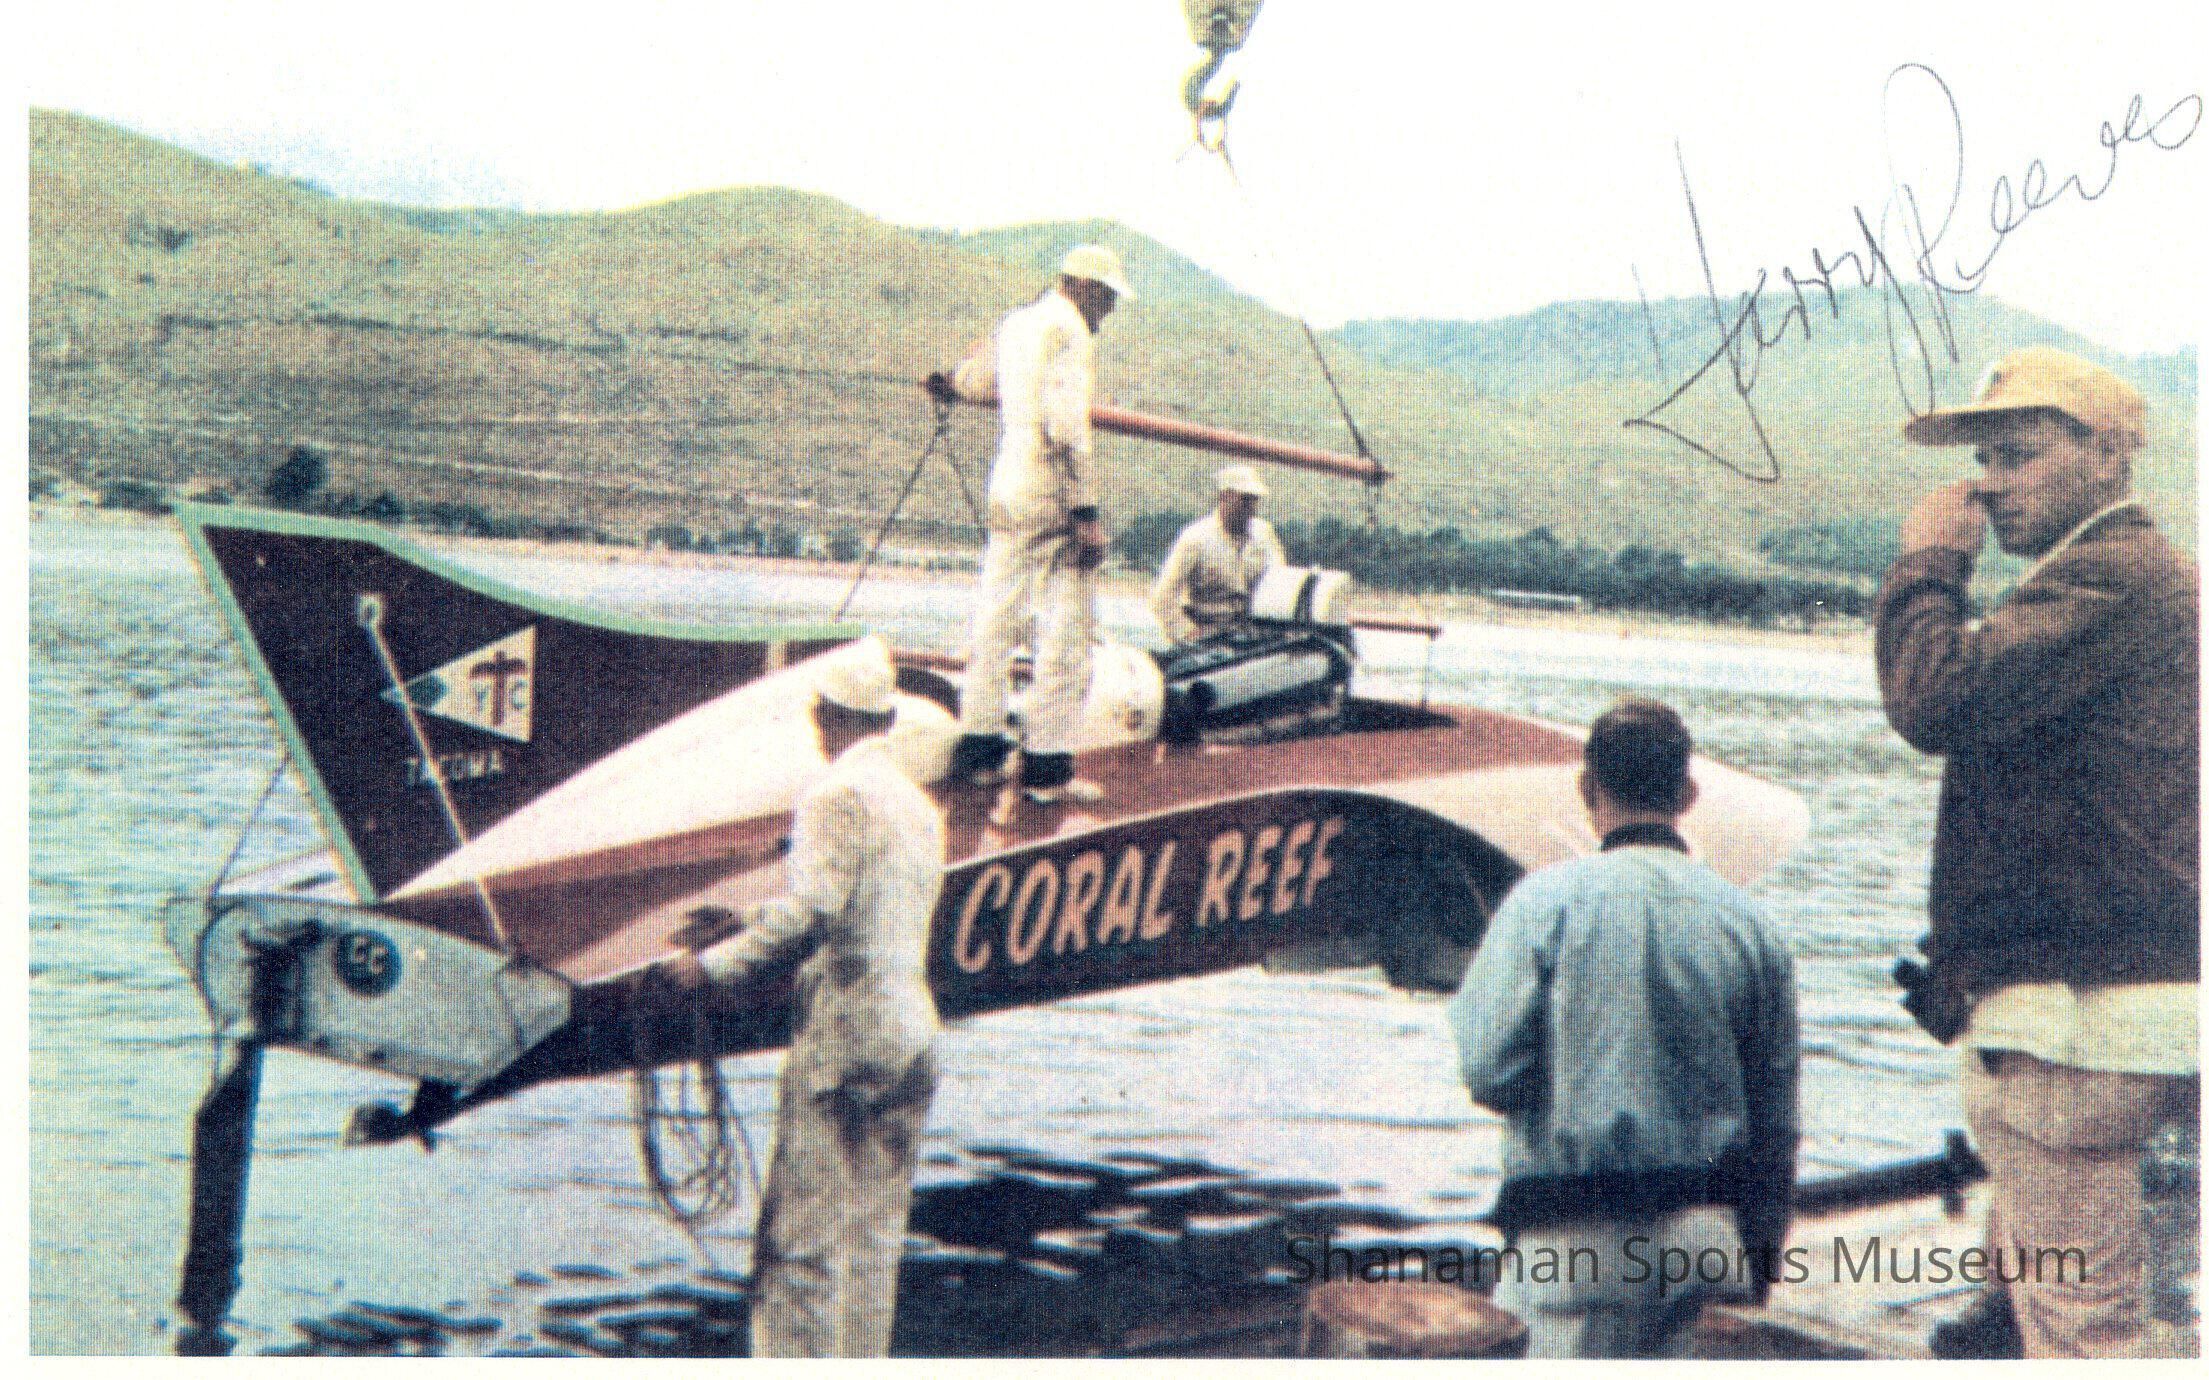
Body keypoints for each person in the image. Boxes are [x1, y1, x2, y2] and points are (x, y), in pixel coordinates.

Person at [1876, 346, 2199, 1360]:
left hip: (2077, 1033)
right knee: (2090, 1315)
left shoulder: (2110, 574)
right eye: (1983, 461)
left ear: (2107, 456)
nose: (1984, 485)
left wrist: (1928, 565)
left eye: (2014, 456)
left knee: (2084, 1336)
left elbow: (1937, 700)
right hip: (2134, 1017)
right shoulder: (2151, 580)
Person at [1449, 697, 1799, 1359]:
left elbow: (1489, 1071)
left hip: (1572, 1237)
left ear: (1587, 790)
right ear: (1687, 795)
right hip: (1704, 1235)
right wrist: (1760, 1256)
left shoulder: (1540, 903)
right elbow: (1775, 1122)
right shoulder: (1751, 924)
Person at [660, 637, 948, 1358]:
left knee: (798, 1244)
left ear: (826, 716)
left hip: (846, 1034)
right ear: (886, 720)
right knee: (873, 1240)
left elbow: (814, 912)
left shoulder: (834, 794)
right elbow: (860, 904)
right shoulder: (917, 805)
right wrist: (747, 919)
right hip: (912, 1032)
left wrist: (712, 968)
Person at [939, 243, 1133, 804]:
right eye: (1108, 299)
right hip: (1049, 488)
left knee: (996, 618)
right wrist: (1086, 512)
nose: (1108, 312)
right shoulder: (1069, 331)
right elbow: (1065, 426)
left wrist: (949, 383)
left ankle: (980, 749)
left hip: (1007, 482)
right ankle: (1047, 769)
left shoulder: (1018, 322)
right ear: (1086, 287)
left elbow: (979, 383)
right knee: (1066, 632)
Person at [1148, 463, 1287, 643]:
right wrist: (1187, 633)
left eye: (1254, 500)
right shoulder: (1195, 537)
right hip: (1209, 635)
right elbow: (1162, 597)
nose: (1251, 507)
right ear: (1225, 497)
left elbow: (1281, 584)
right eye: (1245, 499)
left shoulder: (1265, 534)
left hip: (1254, 634)